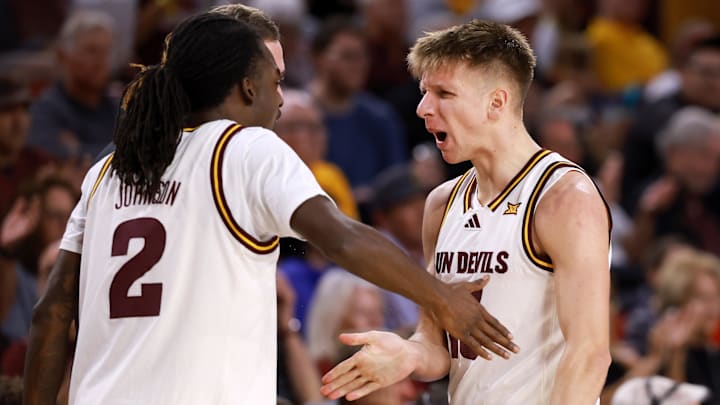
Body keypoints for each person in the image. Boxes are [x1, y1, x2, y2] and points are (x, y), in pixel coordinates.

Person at [23, 13, 517, 405]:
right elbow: (341, 237)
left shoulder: (109, 169)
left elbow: (52, 311)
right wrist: (442, 299)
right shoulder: (245, 148)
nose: (281, 100)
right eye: (275, 82)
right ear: (246, 87)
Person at [321, 20, 611, 404]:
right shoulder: (441, 204)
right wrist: (408, 353)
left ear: (497, 102)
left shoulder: (562, 197)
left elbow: (589, 354)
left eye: (444, 93)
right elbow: (435, 342)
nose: (424, 109)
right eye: (425, 92)